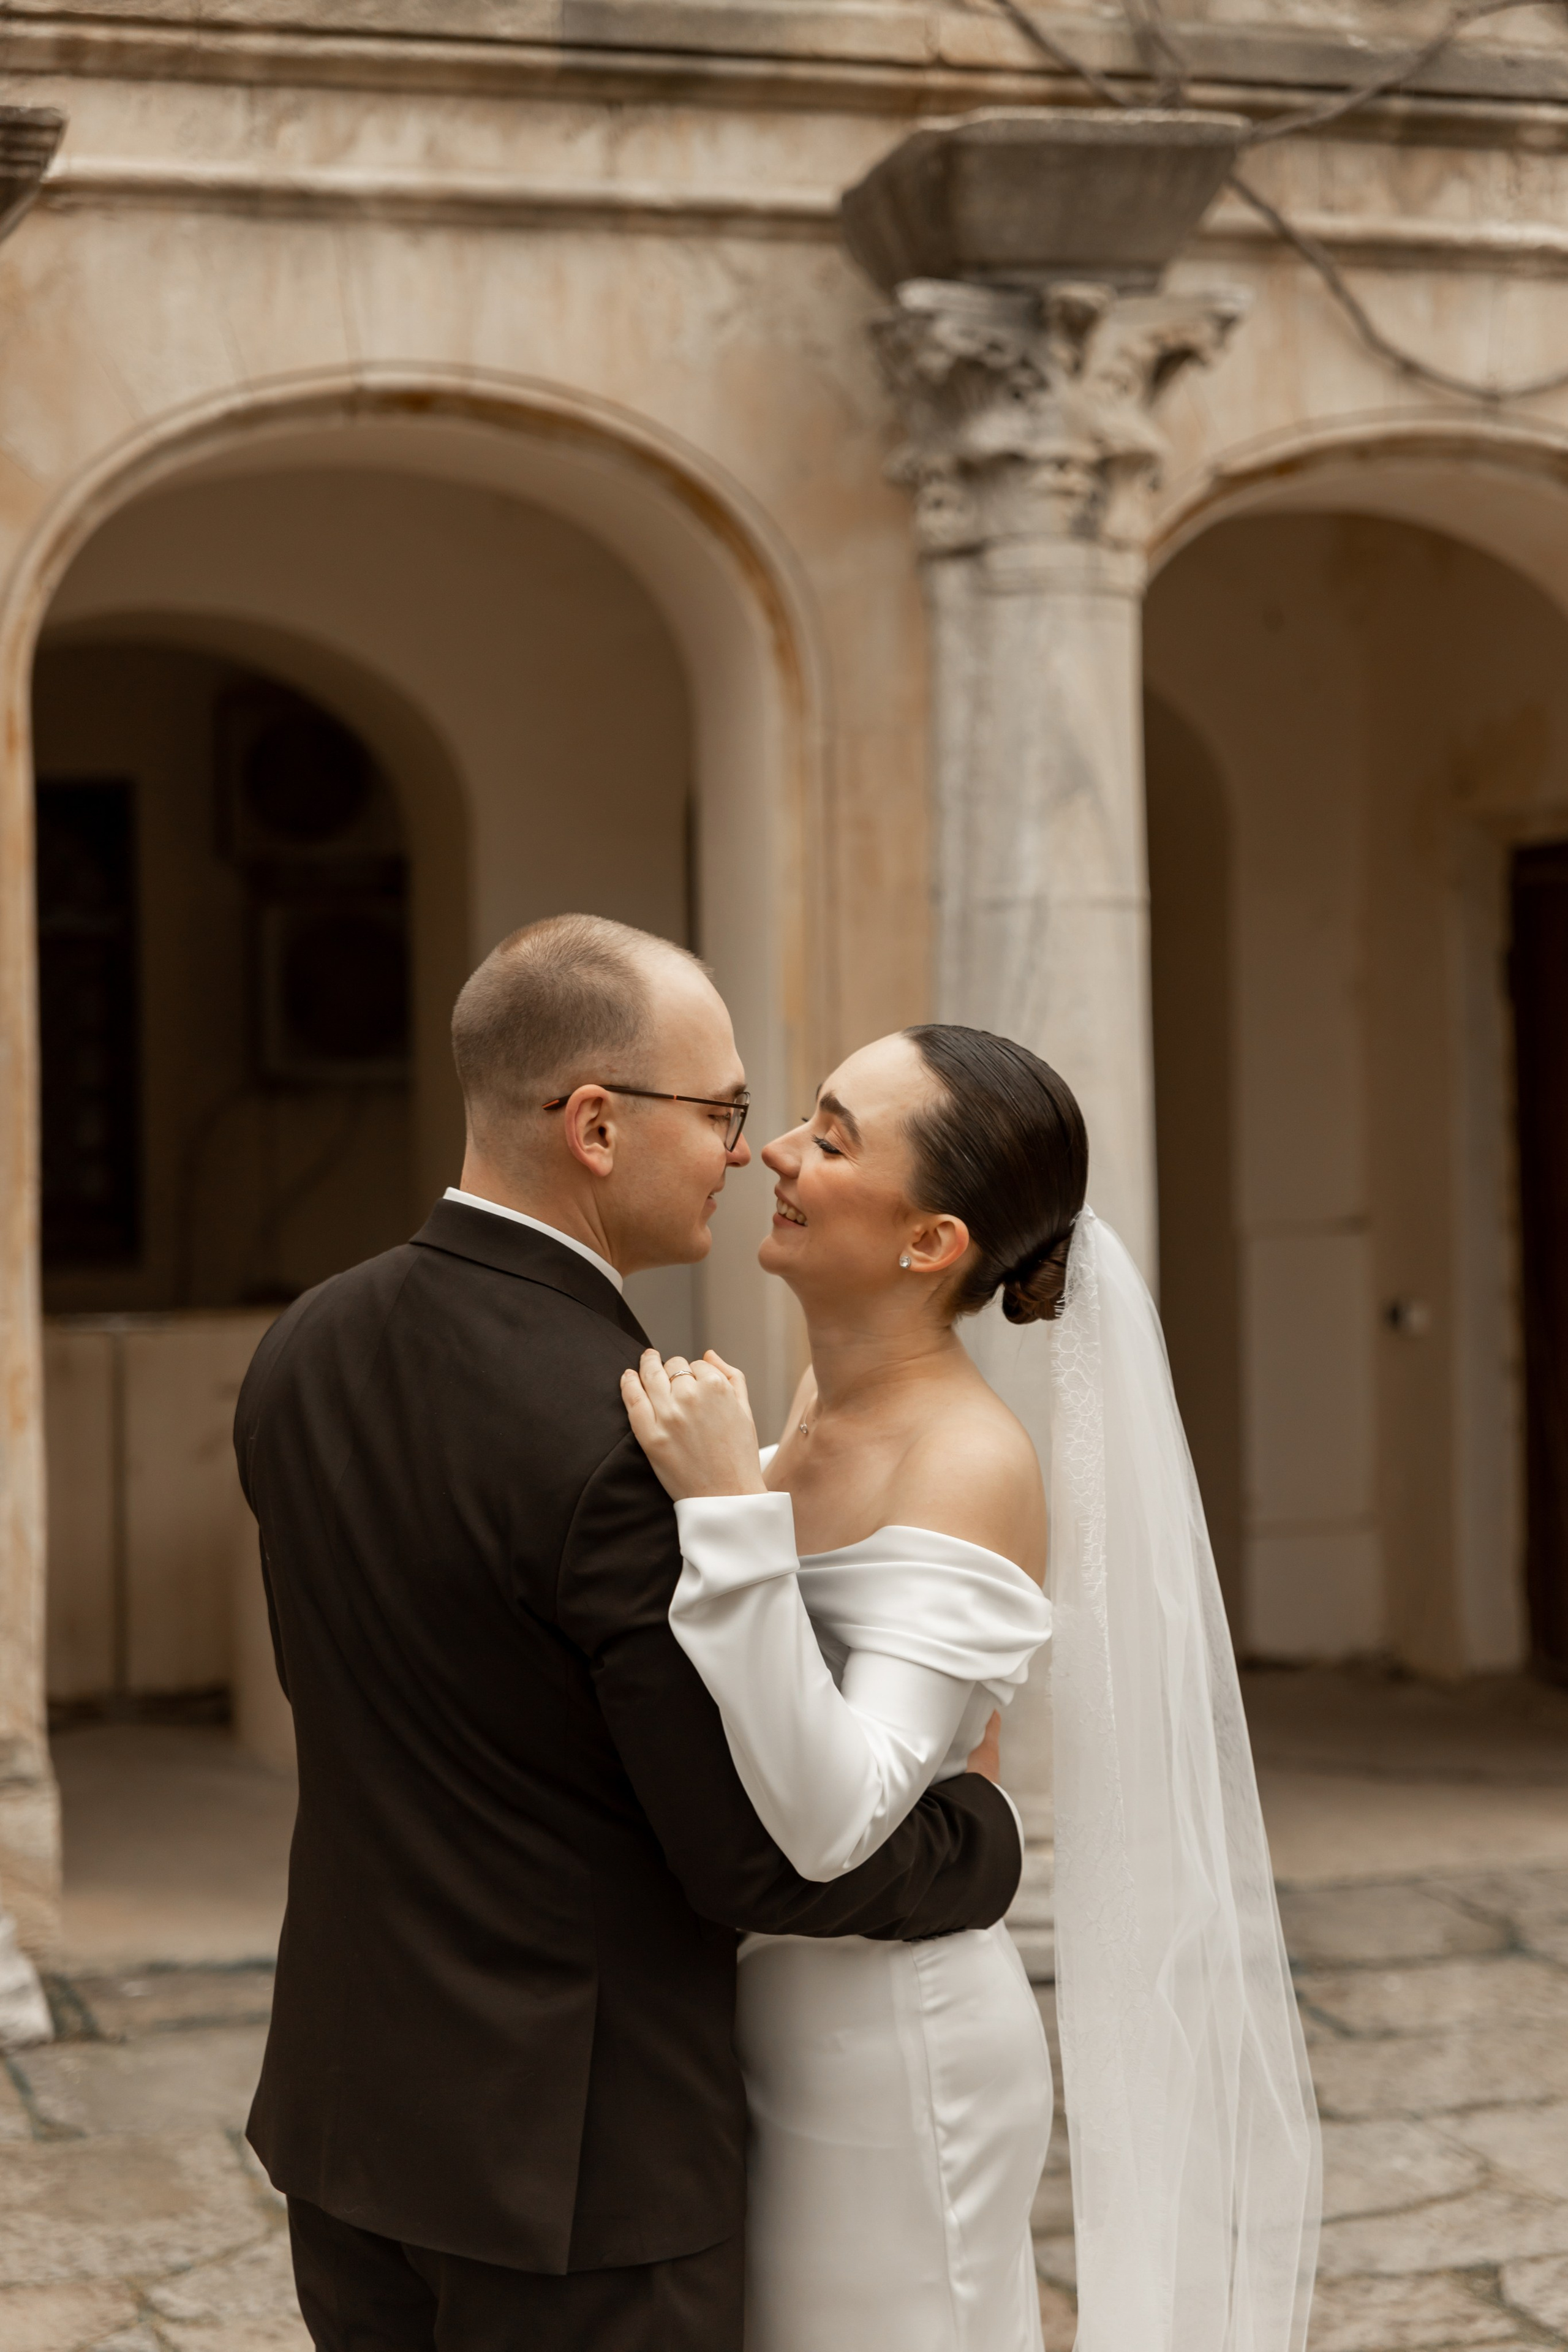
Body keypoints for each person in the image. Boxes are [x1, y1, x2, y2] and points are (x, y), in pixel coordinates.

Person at [233, 918, 1023, 2352]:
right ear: (595, 1125)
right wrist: (977, 1844)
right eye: (723, 1111)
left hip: (349, 2118)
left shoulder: (306, 1344)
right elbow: (740, 1854)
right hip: (574, 2167)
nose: (746, 1151)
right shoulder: (631, 1438)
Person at [624, 1023, 1323, 2352]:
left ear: (928, 1242)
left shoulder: (963, 1460)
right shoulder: (814, 1408)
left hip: (886, 2055)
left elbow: (841, 1819)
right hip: (760, 2014)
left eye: (829, 1139)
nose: (773, 1149)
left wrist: (725, 1512)